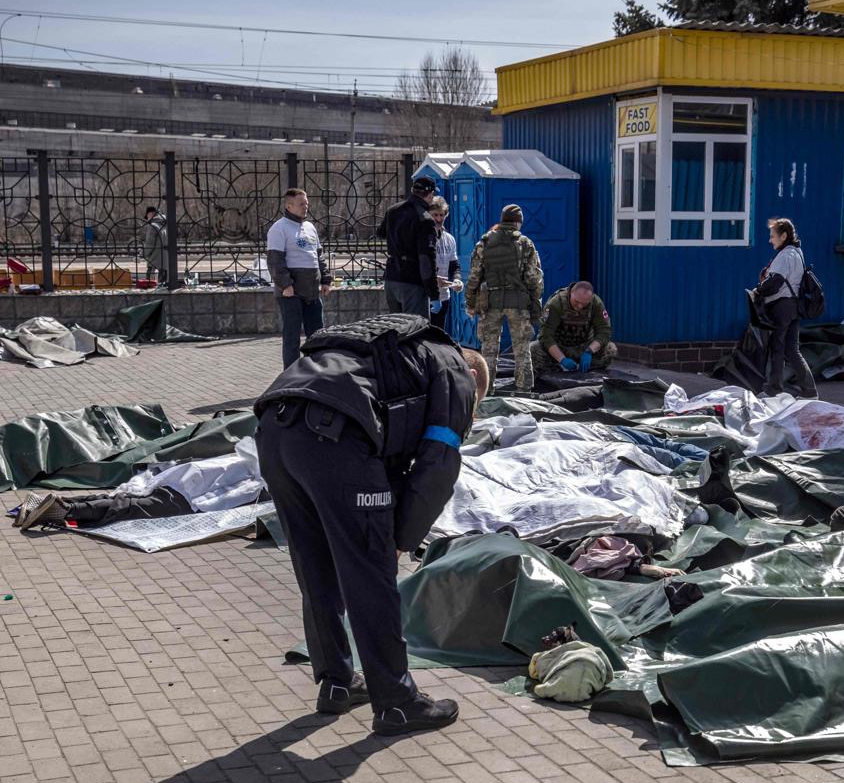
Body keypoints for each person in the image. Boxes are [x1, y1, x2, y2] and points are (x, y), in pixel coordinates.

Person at [253, 313, 488, 735]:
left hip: (274, 428)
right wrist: (400, 537)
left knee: (315, 563)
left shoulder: (394, 348)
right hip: (335, 438)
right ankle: (397, 703)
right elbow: (437, 463)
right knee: (370, 572)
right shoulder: (456, 370)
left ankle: (336, 683)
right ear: (472, 373)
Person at [12, 438, 264, 529]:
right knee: (128, 506)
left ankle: (62, 503)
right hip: (187, 494)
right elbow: (229, 495)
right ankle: (66, 510)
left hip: (179, 480)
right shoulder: (261, 477)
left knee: (124, 500)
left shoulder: (246, 455)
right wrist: (202, 505)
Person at [465, 204, 543, 393]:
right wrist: (536, 305)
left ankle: (485, 390)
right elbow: (534, 278)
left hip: (490, 302)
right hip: (518, 303)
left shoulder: (484, 242)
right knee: (522, 350)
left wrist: (470, 302)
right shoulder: (525, 243)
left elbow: (474, 276)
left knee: (489, 351)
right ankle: (524, 391)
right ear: (518, 222)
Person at [267, 188, 333, 368]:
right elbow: (275, 261)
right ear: (289, 206)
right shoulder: (279, 229)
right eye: (301, 204)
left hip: (312, 291)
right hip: (291, 293)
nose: (306, 207)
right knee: (292, 336)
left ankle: (317, 371)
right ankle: (291, 375)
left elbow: (318, 256)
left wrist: (325, 280)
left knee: (317, 335)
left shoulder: (309, 227)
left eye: (307, 203)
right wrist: (285, 284)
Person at [754, 217, 817, 398]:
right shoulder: (797, 252)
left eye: (773, 236)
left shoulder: (786, 255)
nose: (770, 240)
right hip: (793, 306)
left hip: (781, 306)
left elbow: (776, 281)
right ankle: (810, 391)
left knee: (778, 347)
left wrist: (758, 290)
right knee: (792, 349)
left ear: (783, 236)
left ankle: (773, 389)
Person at [377, 176, 439, 318]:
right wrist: (433, 293)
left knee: (398, 330)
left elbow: (380, 233)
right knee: (416, 331)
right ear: (430, 194)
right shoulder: (425, 219)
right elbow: (426, 260)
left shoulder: (393, 210)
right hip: (412, 282)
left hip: (391, 278)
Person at [530, 280, 616, 377]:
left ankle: (587, 370)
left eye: (584, 304)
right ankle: (553, 373)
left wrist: (589, 351)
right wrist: (562, 359)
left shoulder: (596, 303)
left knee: (610, 349)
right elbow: (545, 336)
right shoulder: (556, 303)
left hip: (583, 347)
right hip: (559, 346)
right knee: (534, 349)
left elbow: (604, 331)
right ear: (571, 293)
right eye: (576, 302)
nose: (579, 306)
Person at [427, 196, 463, 332]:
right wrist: (433, 280)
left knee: (439, 334)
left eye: (441, 215)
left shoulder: (450, 239)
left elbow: (454, 265)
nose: (438, 219)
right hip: (427, 297)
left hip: (444, 296)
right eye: (435, 215)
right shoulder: (424, 237)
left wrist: (457, 280)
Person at [142, 206, 170, 287]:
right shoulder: (165, 225)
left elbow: (149, 245)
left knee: (150, 287)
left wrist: (142, 254)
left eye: (147, 216)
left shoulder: (153, 226)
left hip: (154, 263)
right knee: (163, 288)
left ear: (150, 214)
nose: (147, 219)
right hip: (165, 263)